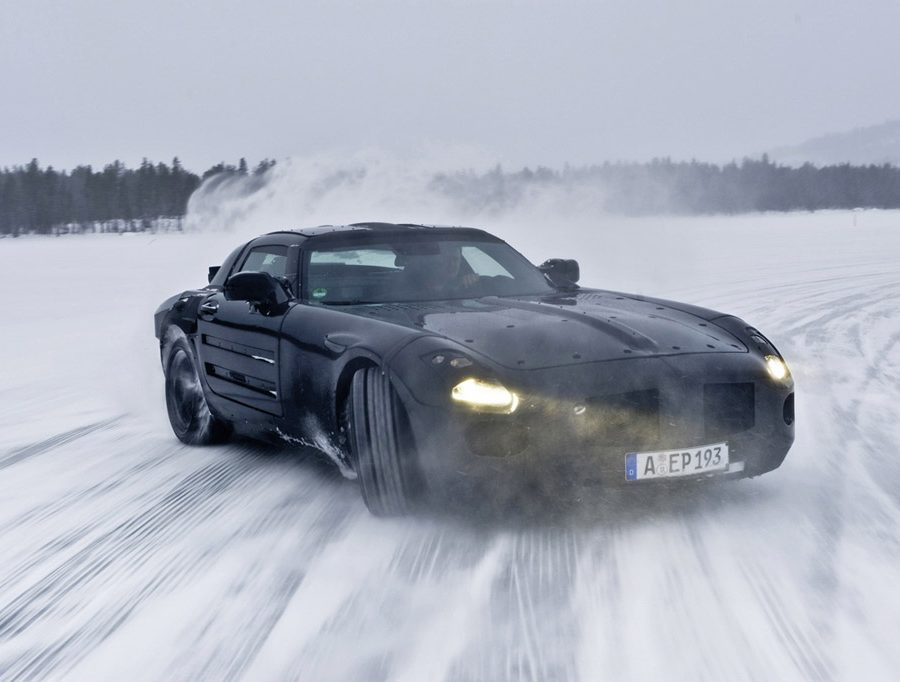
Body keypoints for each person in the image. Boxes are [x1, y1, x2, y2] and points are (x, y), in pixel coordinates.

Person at [403, 243, 478, 296]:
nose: (452, 264)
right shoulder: (411, 288)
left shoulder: (466, 285)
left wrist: (475, 283)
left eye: (455, 260)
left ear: (461, 262)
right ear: (434, 262)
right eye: (446, 260)